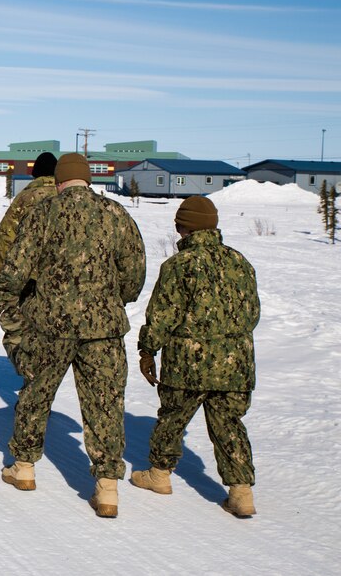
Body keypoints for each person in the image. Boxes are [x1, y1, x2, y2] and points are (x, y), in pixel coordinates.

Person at [0, 153, 145, 518]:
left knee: (36, 393)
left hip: (49, 326)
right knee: (105, 403)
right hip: (103, 329)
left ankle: (24, 467)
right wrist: (109, 298)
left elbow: (15, 269)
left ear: (59, 181)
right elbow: (134, 272)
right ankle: (107, 488)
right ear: (88, 180)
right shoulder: (117, 214)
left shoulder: (42, 212)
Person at [132, 196, 260, 518]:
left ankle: (159, 476)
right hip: (235, 365)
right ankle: (241, 492)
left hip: (187, 365)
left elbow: (163, 315)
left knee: (173, 418)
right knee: (229, 424)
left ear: (183, 228)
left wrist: (148, 350)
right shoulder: (240, 262)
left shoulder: (178, 266)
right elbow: (252, 313)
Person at [0, 151, 58, 378]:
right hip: (61, 285)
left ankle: (33, 386)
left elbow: (6, 241)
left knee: (19, 334)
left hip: (25, 282)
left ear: (34, 174)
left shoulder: (26, 198)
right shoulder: (69, 197)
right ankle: (41, 388)